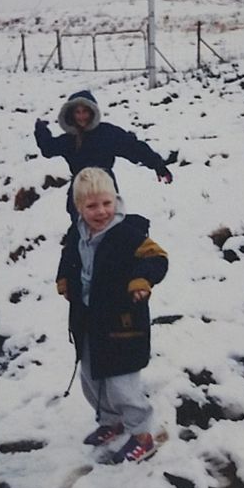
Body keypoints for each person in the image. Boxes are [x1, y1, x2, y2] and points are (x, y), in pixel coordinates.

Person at [56, 167, 168, 463]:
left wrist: (142, 280)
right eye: (92, 206)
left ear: (115, 200)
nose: (101, 211)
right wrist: (64, 279)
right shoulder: (76, 234)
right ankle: (111, 421)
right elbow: (68, 258)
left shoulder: (127, 235)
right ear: (79, 207)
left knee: (122, 384)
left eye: (107, 203)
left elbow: (158, 258)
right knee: (93, 378)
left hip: (122, 323)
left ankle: (142, 434)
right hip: (88, 322)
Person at [35, 90, 173, 220]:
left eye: (85, 112)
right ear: (71, 114)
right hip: (80, 192)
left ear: (92, 112)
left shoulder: (107, 133)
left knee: (110, 229)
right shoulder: (68, 139)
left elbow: (134, 148)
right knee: (79, 232)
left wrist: (157, 164)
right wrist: (41, 130)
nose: (81, 116)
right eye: (78, 112)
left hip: (105, 189)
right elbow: (49, 148)